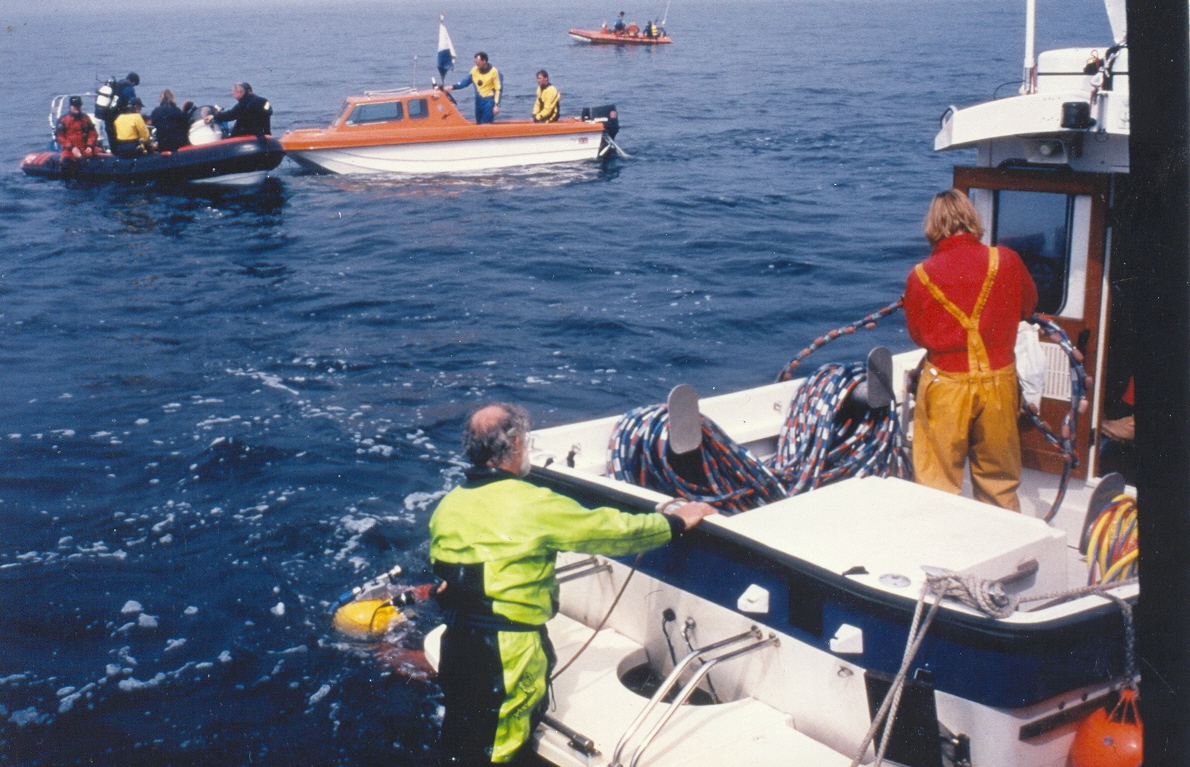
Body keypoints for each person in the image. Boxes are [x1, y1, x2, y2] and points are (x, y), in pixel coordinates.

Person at [429, 403, 716, 765]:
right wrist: (675, 522)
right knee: (499, 748)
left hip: (457, 643)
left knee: (462, 734)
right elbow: (613, 532)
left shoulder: (449, 505)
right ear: (515, 444)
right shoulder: (532, 503)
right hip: (508, 652)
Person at [903, 189, 1038, 511]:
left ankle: (943, 540)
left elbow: (918, 335)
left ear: (932, 225)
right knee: (1000, 482)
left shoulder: (920, 275)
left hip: (946, 387)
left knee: (936, 485)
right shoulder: (1006, 259)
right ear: (972, 218)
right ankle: (1003, 538)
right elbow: (1028, 305)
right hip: (999, 384)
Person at [445, 53, 502, 125]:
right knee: (479, 123)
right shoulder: (474, 70)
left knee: (485, 124)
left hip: (488, 102)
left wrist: (497, 105)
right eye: (475, 62)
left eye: (478, 62)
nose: (476, 64)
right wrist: (452, 87)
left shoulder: (494, 71)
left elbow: (498, 89)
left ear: (484, 61)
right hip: (478, 102)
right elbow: (465, 82)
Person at [205, 82, 273, 137]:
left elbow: (231, 114)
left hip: (248, 136)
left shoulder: (245, 102)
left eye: (234, 93)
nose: (233, 95)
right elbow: (269, 112)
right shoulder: (263, 101)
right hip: (265, 135)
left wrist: (214, 116)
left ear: (240, 93)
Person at [55, 96, 99, 162]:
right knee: (66, 162)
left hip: (85, 148)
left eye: (78, 105)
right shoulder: (63, 119)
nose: (77, 108)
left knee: (101, 156)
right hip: (70, 150)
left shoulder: (85, 118)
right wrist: (72, 148)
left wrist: (90, 145)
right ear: (70, 106)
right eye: (75, 106)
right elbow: (60, 137)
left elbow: (93, 134)